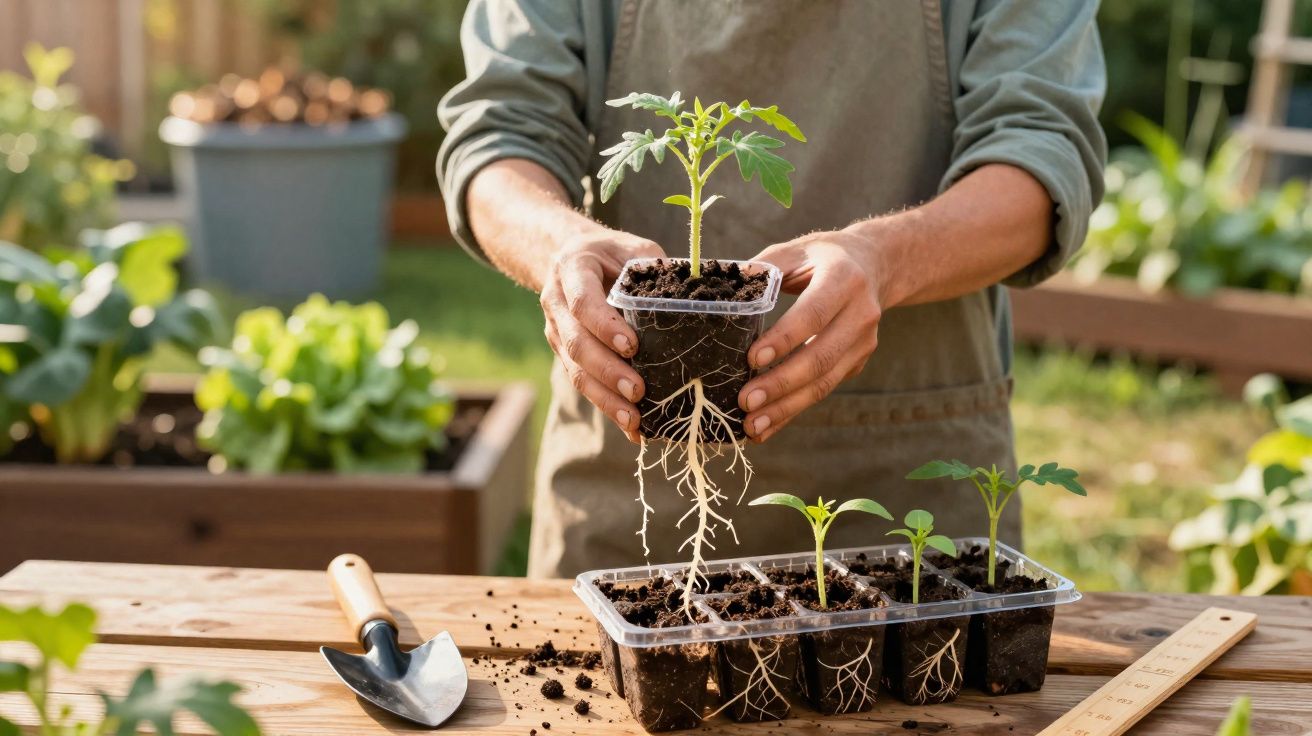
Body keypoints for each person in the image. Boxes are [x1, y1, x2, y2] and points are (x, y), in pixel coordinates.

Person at [438, 0, 1106, 578]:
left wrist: (882, 258)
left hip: (901, 486)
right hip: (639, 472)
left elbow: (1042, 150)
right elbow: (501, 134)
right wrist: (560, 246)